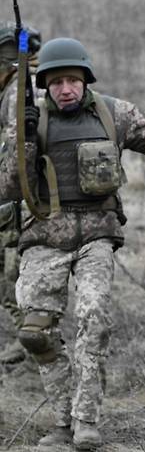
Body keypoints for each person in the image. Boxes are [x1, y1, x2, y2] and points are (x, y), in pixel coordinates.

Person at [0, 37, 145, 450]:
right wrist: (23, 138)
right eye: (56, 82)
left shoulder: (112, 113)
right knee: (35, 333)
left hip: (96, 238)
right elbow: (9, 186)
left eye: (73, 80)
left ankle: (83, 422)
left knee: (93, 320)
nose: (66, 89)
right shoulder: (27, 117)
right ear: (45, 83)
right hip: (43, 237)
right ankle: (61, 418)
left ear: (85, 79)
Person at [0, 21, 41, 366]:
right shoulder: (22, 87)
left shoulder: (18, 90)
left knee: (12, 275)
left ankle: (31, 342)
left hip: (20, 202)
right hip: (23, 200)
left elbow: (16, 154)